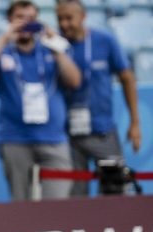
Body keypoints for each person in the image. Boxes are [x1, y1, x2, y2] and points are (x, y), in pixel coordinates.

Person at [0, 0, 82, 201]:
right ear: (9, 21)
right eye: (19, 18)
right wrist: (4, 38)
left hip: (53, 138)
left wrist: (56, 47)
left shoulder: (50, 49)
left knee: (56, 203)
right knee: (21, 204)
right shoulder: (1, 49)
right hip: (15, 138)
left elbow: (74, 81)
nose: (25, 24)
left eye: (30, 19)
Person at [55, 0, 142, 195]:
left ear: (83, 16)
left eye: (69, 18)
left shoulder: (105, 40)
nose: (64, 24)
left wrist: (135, 122)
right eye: (60, 19)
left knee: (115, 190)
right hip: (67, 135)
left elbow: (127, 78)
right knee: (74, 196)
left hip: (102, 130)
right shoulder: (55, 46)